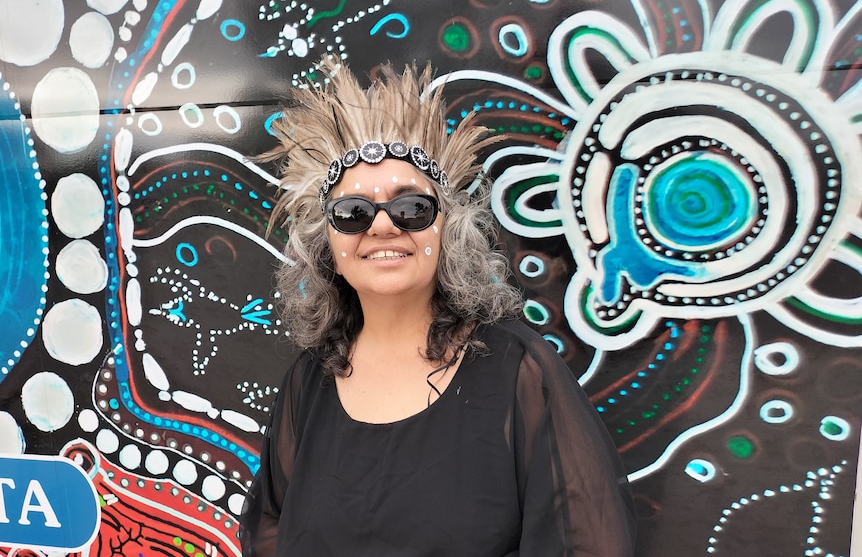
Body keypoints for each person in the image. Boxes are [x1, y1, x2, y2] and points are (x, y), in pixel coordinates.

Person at [240, 57, 637, 556]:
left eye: (411, 208)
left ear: (447, 231)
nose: (382, 227)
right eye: (353, 212)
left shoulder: (519, 372)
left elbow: (585, 541)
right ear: (330, 249)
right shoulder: (307, 384)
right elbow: (271, 533)